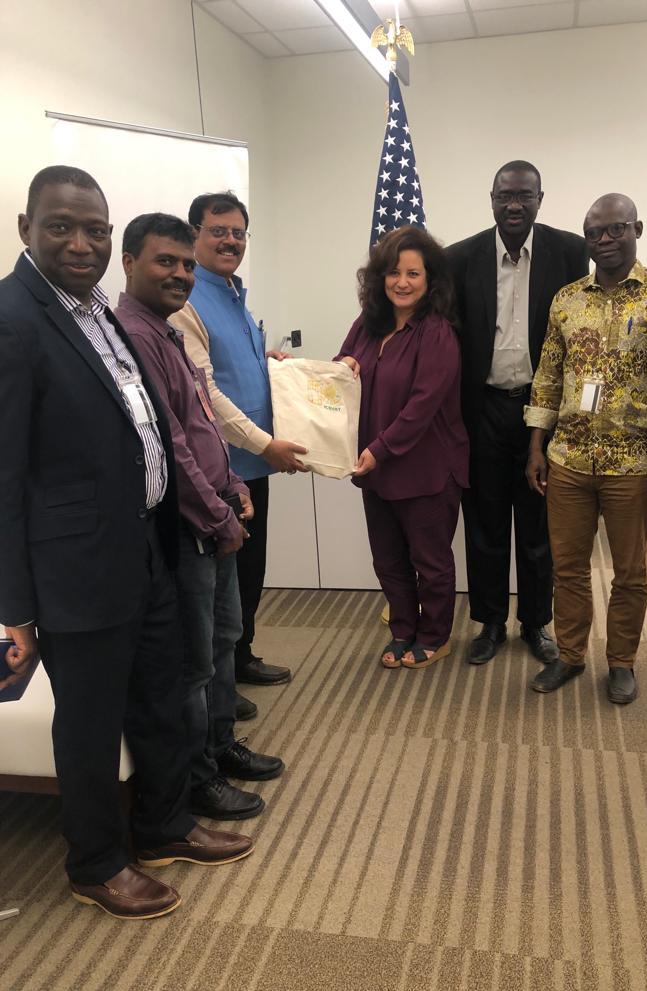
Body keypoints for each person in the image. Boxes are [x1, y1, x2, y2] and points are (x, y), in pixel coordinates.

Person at [0, 166, 252, 921]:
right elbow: (5, 474)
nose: (81, 243)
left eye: (95, 230)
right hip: (75, 568)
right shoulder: (13, 321)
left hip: (146, 544)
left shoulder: (99, 312)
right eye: (61, 227)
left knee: (161, 697)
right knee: (89, 720)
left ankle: (164, 825)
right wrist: (14, 607)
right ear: (26, 229)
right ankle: (96, 862)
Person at [115, 213, 284, 820]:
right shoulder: (131, 336)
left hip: (216, 508)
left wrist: (234, 479)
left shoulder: (166, 331)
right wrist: (218, 513)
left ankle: (218, 745)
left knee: (221, 644)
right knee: (194, 663)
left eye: (186, 264)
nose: (181, 274)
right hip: (189, 527)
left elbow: (203, 423)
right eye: (167, 262)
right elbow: (171, 446)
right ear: (129, 261)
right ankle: (198, 779)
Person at [525, 194, 647, 703]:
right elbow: (549, 375)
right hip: (569, 457)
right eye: (594, 232)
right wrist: (537, 444)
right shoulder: (567, 299)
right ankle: (572, 656)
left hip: (633, 461)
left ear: (636, 227)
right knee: (568, 565)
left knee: (631, 571)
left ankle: (622, 661)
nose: (603, 240)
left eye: (614, 229)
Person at [447, 160, 589, 667]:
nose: (514, 205)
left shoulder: (571, 251)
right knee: (484, 521)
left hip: (541, 408)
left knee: (537, 524)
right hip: (481, 407)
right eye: (505, 195)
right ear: (491, 198)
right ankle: (488, 622)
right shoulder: (459, 258)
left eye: (524, 196)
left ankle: (534, 622)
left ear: (539, 199)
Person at [170, 192, 307, 690]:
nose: (230, 240)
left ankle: (241, 658)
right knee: (222, 584)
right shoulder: (186, 299)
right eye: (218, 230)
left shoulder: (232, 293)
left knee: (249, 572)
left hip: (252, 467)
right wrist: (264, 444)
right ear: (194, 235)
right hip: (220, 471)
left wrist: (266, 362)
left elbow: (228, 369)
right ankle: (222, 677)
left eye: (238, 232)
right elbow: (206, 394)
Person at [335, 226, 469, 668]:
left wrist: (377, 450)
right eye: (394, 272)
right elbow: (339, 375)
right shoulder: (367, 324)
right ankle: (402, 632)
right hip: (376, 467)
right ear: (379, 277)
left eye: (413, 273)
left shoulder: (437, 333)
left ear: (430, 280)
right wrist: (333, 366)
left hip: (427, 467)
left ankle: (434, 635)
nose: (403, 282)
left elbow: (421, 407)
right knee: (388, 559)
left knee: (430, 561)